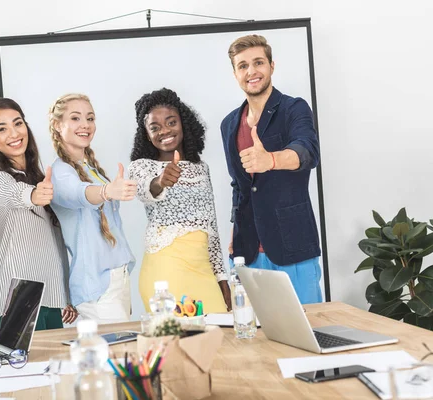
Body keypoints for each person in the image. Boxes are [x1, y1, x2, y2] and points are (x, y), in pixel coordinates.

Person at [221, 34, 322, 304]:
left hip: (293, 245)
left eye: (258, 63)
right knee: (256, 338)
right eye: (243, 66)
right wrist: (234, 228)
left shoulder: (293, 108)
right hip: (248, 249)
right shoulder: (229, 124)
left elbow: (308, 151)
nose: (251, 71)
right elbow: (239, 184)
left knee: (308, 331)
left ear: (271, 66)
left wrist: (272, 160)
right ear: (235, 74)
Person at [129, 88, 230, 313]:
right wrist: (160, 181)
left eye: (171, 122)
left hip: (203, 268)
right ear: (147, 134)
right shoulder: (141, 167)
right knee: (178, 342)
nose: (164, 131)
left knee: (218, 340)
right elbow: (145, 191)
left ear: (183, 123)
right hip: (166, 270)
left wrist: (222, 279)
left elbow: (211, 227)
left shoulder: (201, 169)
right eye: (155, 127)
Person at [0, 98, 77, 330]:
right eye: (1, 129)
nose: (13, 133)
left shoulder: (41, 178)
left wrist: (65, 294)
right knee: (22, 366)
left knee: (54, 366)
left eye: (18, 123)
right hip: (16, 298)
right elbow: (13, 193)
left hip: (51, 297)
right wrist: (34, 195)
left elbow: (55, 245)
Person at [48, 93, 136, 324]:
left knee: (123, 355)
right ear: (58, 125)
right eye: (75, 118)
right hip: (97, 289)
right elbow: (78, 193)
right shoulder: (60, 172)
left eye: (90, 118)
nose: (85, 125)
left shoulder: (92, 169)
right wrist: (107, 191)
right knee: (114, 356)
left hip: (118, 280)